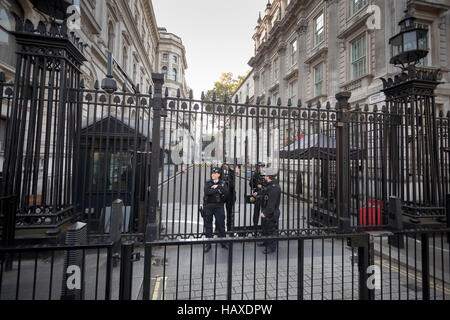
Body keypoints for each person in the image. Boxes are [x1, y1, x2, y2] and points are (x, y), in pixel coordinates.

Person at [202, 167, 229, 252]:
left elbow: (226, 192)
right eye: (212, 173)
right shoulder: (208, 182)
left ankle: (223, 242)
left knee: (221, 224)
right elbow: (207, 191)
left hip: (219, 206)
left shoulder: (223, 183)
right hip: (208, 206)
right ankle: (208, 243)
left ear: (219, 175)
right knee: (208, 225)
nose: (212, 174)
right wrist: (218, 190)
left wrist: (217, 187)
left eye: (215, 173)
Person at [259, 168, 281, 254]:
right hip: (267, 210)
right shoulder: (269, 185)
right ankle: (266, 242)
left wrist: (265, 213)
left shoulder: (274, 187)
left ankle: (271, 247)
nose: (264, 176)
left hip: (271, 212)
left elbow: (272, 203)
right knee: (265, 229)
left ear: (268, 177)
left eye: (265, 175)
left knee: (271, 230)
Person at [250, 162, 266, 229]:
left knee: (264, 211)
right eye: (259, 167)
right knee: (256, 211)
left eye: (262, 167)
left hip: (264, 195)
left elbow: (268, 185)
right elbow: (251, 184)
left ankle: (263, 226)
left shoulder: (265, 174)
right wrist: (256, 185)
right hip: (257, 195)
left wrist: (261, 186)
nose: (260, 168)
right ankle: (255, 226)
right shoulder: (255, 174)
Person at [220, 163, 236, 232]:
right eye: (225, 164)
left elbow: (233, 184)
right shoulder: (219, 171)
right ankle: (219, 229)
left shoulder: (232, 172)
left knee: (229, 213)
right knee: (220, 213)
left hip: (230, 195)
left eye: (227, 165)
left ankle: (229, 229)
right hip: (221, 195)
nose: (226, 166)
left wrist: (227, 182)